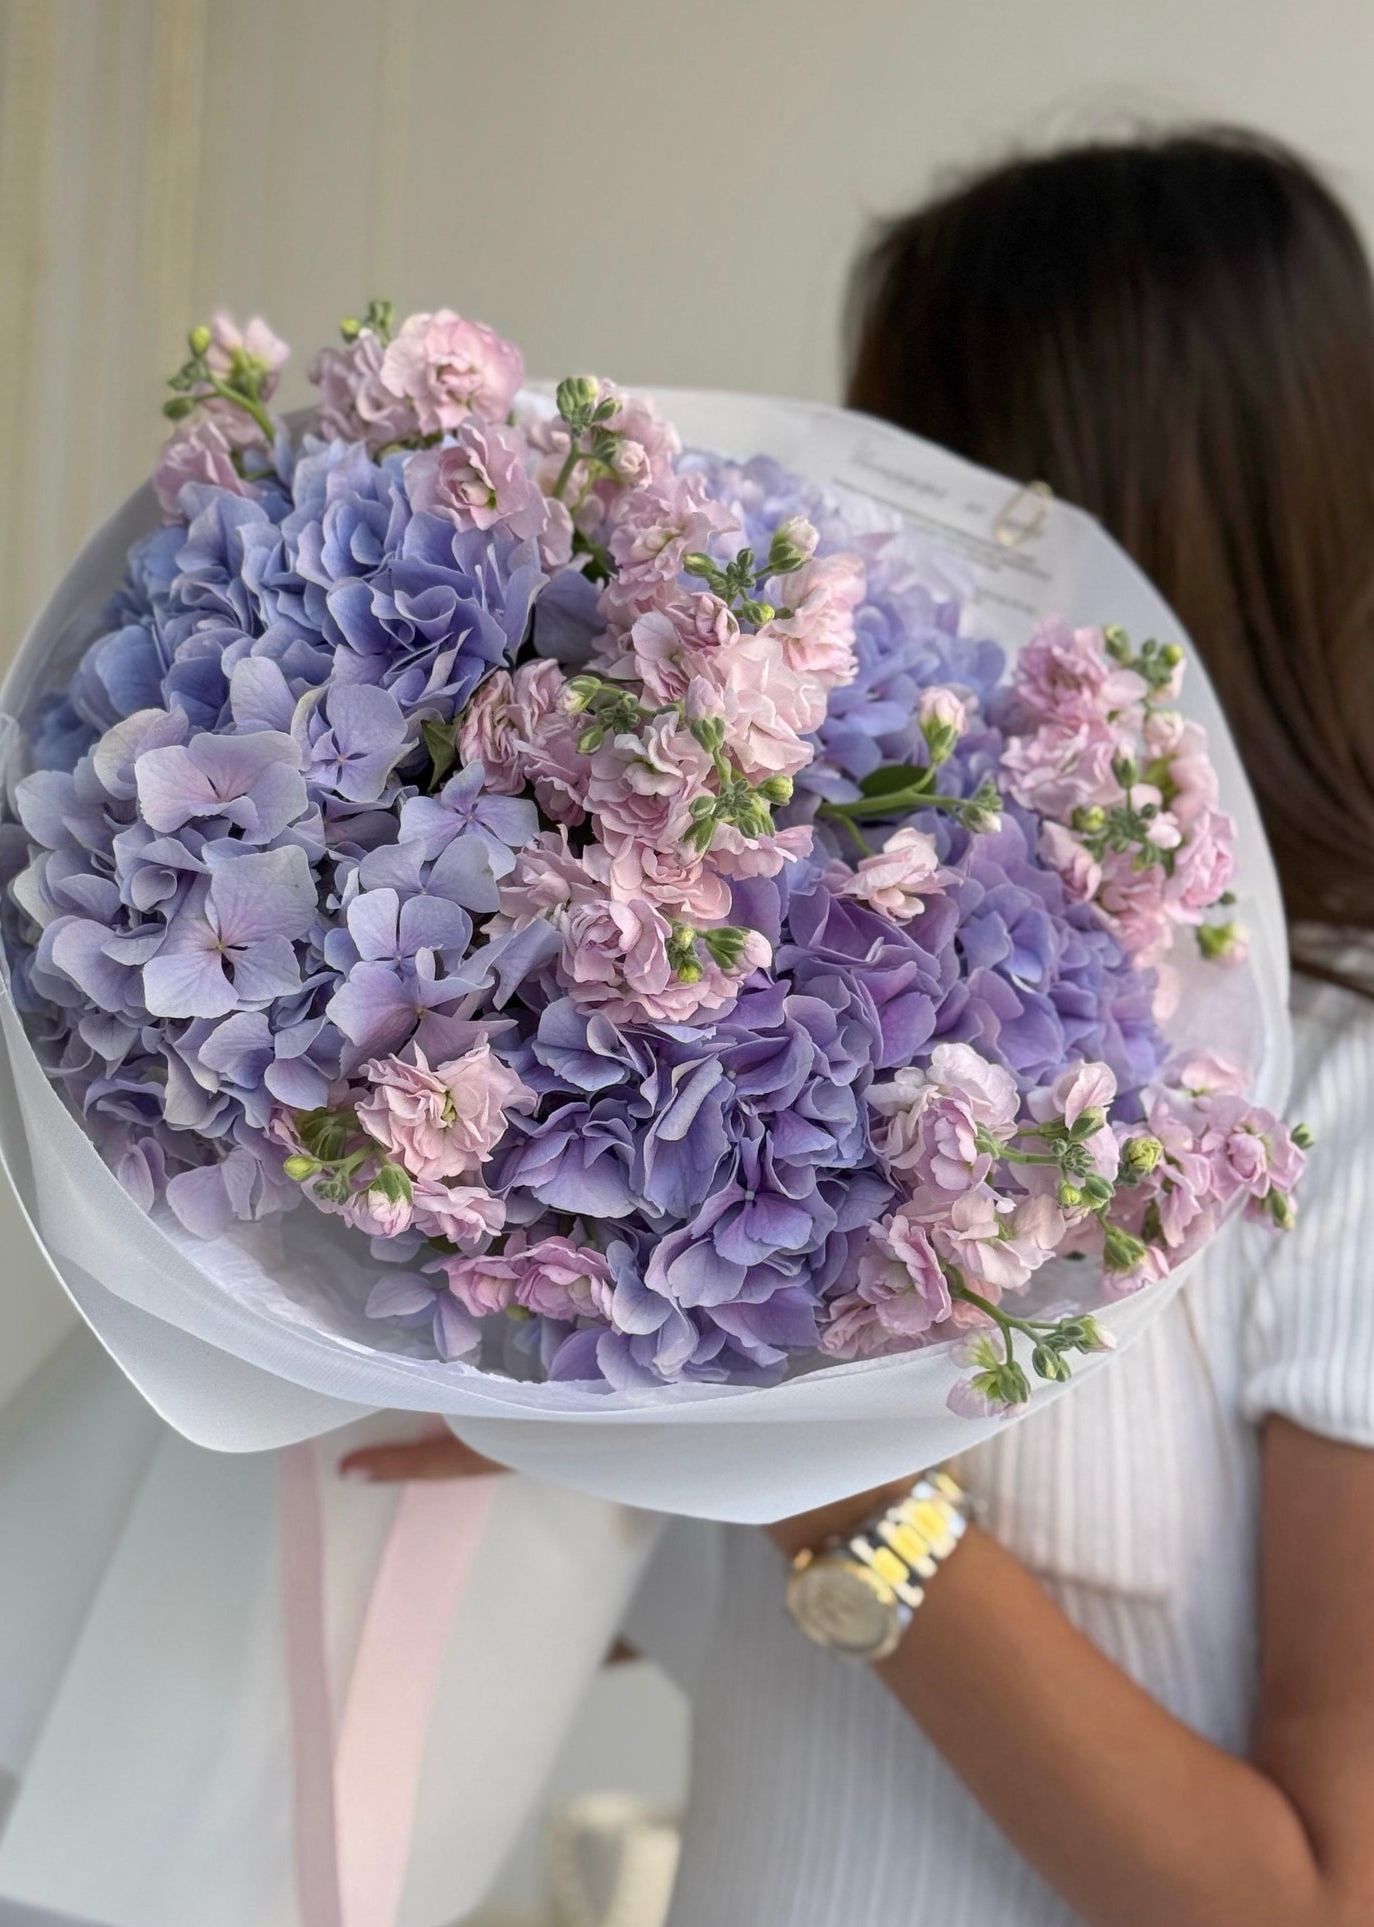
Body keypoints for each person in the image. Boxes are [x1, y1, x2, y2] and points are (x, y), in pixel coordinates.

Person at [342, 129, 1374, 1925]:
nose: (865, 549)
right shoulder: (785, 1002)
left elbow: (1309, 1892)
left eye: (918, 461)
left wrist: (818, 1471)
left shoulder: (1331, 1104)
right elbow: (676, 1642)